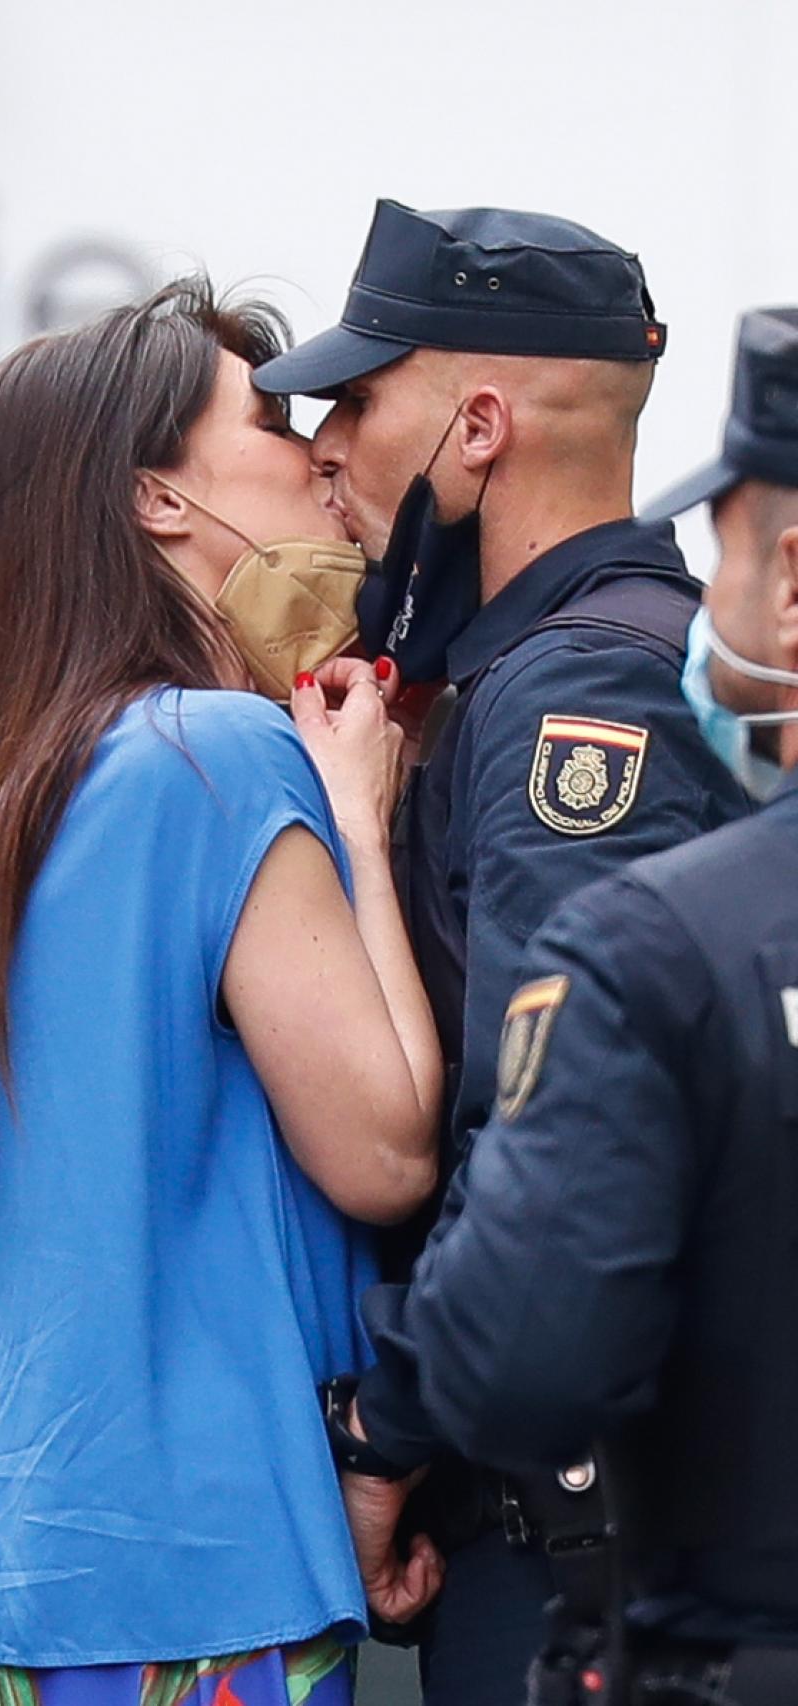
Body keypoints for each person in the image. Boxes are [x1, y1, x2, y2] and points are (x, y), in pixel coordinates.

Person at [0, 279, 445, 1706]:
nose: (317, 450)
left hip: (16, 1567)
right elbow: (386, 1145)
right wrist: (362, 819)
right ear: (155, 499)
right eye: (268, 418)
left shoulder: (10, 791)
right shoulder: (218, 755)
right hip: (202, 1564)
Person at [254, 200, 752, 1703]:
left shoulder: (574, 694)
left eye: (358, 398)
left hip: (582, 1568)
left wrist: (382, 1440)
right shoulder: (544, 669)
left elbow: (550, 1137)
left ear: (476, 426)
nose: (322, 447)